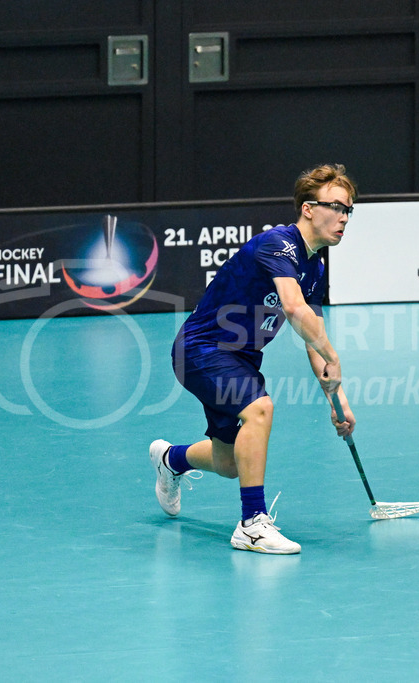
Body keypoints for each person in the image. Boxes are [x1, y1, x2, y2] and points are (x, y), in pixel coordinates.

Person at [149, 164, 358, 554]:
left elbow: (313, 335)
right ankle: (251, 525)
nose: (344, 217)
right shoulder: (278, 245)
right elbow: (295, 309)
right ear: (309, 208)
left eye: (349, 210)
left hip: (241, 359)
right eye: (336, 207)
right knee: (259, 409)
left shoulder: (315, 265)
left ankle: (170, 459)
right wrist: (336, 354)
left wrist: (338, 402)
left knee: (230, 463)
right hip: (201, 349)